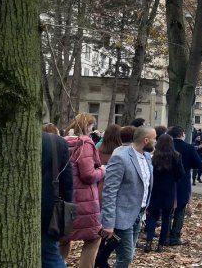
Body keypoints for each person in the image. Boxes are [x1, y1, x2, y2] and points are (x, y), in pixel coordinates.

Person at [99, 126, 156, 268]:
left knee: (128, 256)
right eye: (154, 139)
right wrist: (109, 223)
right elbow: (109, 191)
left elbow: (146, 186)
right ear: (146, 140)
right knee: (125, 258)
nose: (156, 142)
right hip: (122, 217)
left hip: (138, 214)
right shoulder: (120, 158)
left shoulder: (147, 157)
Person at [58, 113, 106, 268]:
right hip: (85, 200)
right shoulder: (85, 142)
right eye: (92, 126)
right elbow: (89, 175)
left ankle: (58, 264)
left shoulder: (62, 142)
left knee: (64, 236)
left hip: (64, 197)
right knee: (93, 237)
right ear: (88, 126)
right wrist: (103, 170)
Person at [144, 134, 185, 252]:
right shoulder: (176, 156)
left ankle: (149, 241)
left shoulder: (154, 156)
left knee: (152, 216)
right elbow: (180, 173)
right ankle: (161, 244)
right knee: (167, 218)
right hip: (169, 189)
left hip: (156, 189)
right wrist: (173, 179)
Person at [42, 130, 73, 268]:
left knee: (49, 255)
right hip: (47, 208)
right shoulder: (57, 142)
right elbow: (67, 182)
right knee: (50, 255)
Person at [168, 126, 202, 246]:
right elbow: (198, 164)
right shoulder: (189, 148)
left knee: (167, 210)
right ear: (182, 134)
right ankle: (175, 236)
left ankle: (165, 235)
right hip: (183, 183)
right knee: (180, 210)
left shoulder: (165, 147)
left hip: (166, 182)